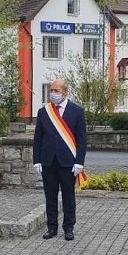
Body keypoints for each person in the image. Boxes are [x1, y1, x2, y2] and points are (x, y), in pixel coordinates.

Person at [33, 79, 87, 241]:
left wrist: (79, 162)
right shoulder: (44, 112)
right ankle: (52, 227)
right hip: (48, 162)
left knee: (68, 196)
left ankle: (68, 228)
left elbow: (82, 140)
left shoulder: (77, 111)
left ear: (65, 92)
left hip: (68, 163)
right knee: (50, 196)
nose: (53, 93)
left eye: (56, 90)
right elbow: (38, 139)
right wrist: (37, 160)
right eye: (51, 90)